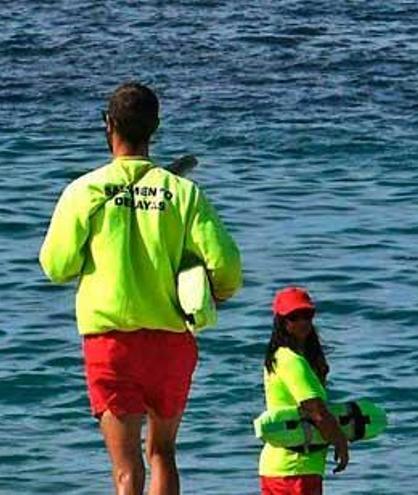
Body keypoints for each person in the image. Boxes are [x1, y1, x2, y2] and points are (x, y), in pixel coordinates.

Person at [39, 81, 242, 495]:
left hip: (111, 343)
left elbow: (56, 266)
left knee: (126, 467)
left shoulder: (85, 191)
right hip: (170, 340)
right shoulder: (184, 192)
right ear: (155, 127)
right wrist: (216, 291)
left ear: (108, 125)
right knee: (162, 452)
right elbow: (228, 268)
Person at [260, 287, 350, 495]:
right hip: (294, 469)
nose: (302, 322)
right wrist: (340, 442)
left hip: (289, 468)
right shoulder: (291, 360)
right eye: (294, 316)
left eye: (307, 315)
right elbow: (315, 409)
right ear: (281, 320)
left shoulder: (284, 356)